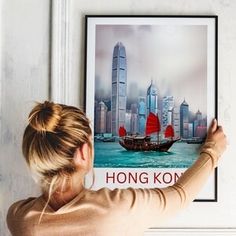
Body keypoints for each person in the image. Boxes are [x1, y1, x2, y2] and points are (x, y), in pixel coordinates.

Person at [7, 101, 227, 236]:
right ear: (83, 153)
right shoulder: (117, 209)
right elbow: (180, 194)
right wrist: (212, 150)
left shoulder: (19, 218)